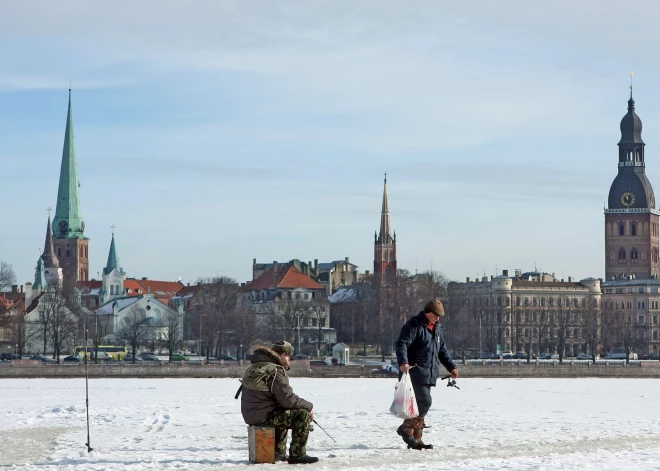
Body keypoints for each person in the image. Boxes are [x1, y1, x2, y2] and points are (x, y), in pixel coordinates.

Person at [239, 341, 318, 464]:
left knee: (282, 413)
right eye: (289, 357)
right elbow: (288, 399)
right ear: (282, 355)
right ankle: (297, 454)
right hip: (264, 416)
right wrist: (309, 407)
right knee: (301, 415)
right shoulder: (275, 370)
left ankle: (277, 453)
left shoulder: (255, 367)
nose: (289, 361)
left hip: (252, 415)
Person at [395, 299, 458, 450]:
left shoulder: (437, 328)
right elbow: (401, 343)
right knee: (425, 402)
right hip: (414, 372)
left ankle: (417, 439)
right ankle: (405, 429)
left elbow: (441, 350)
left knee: (418, 407)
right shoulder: (414, 326)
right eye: (436, 315)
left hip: (429, 373)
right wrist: (403, 362)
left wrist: (451, 367)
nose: (438, 318)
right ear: (428, 313)